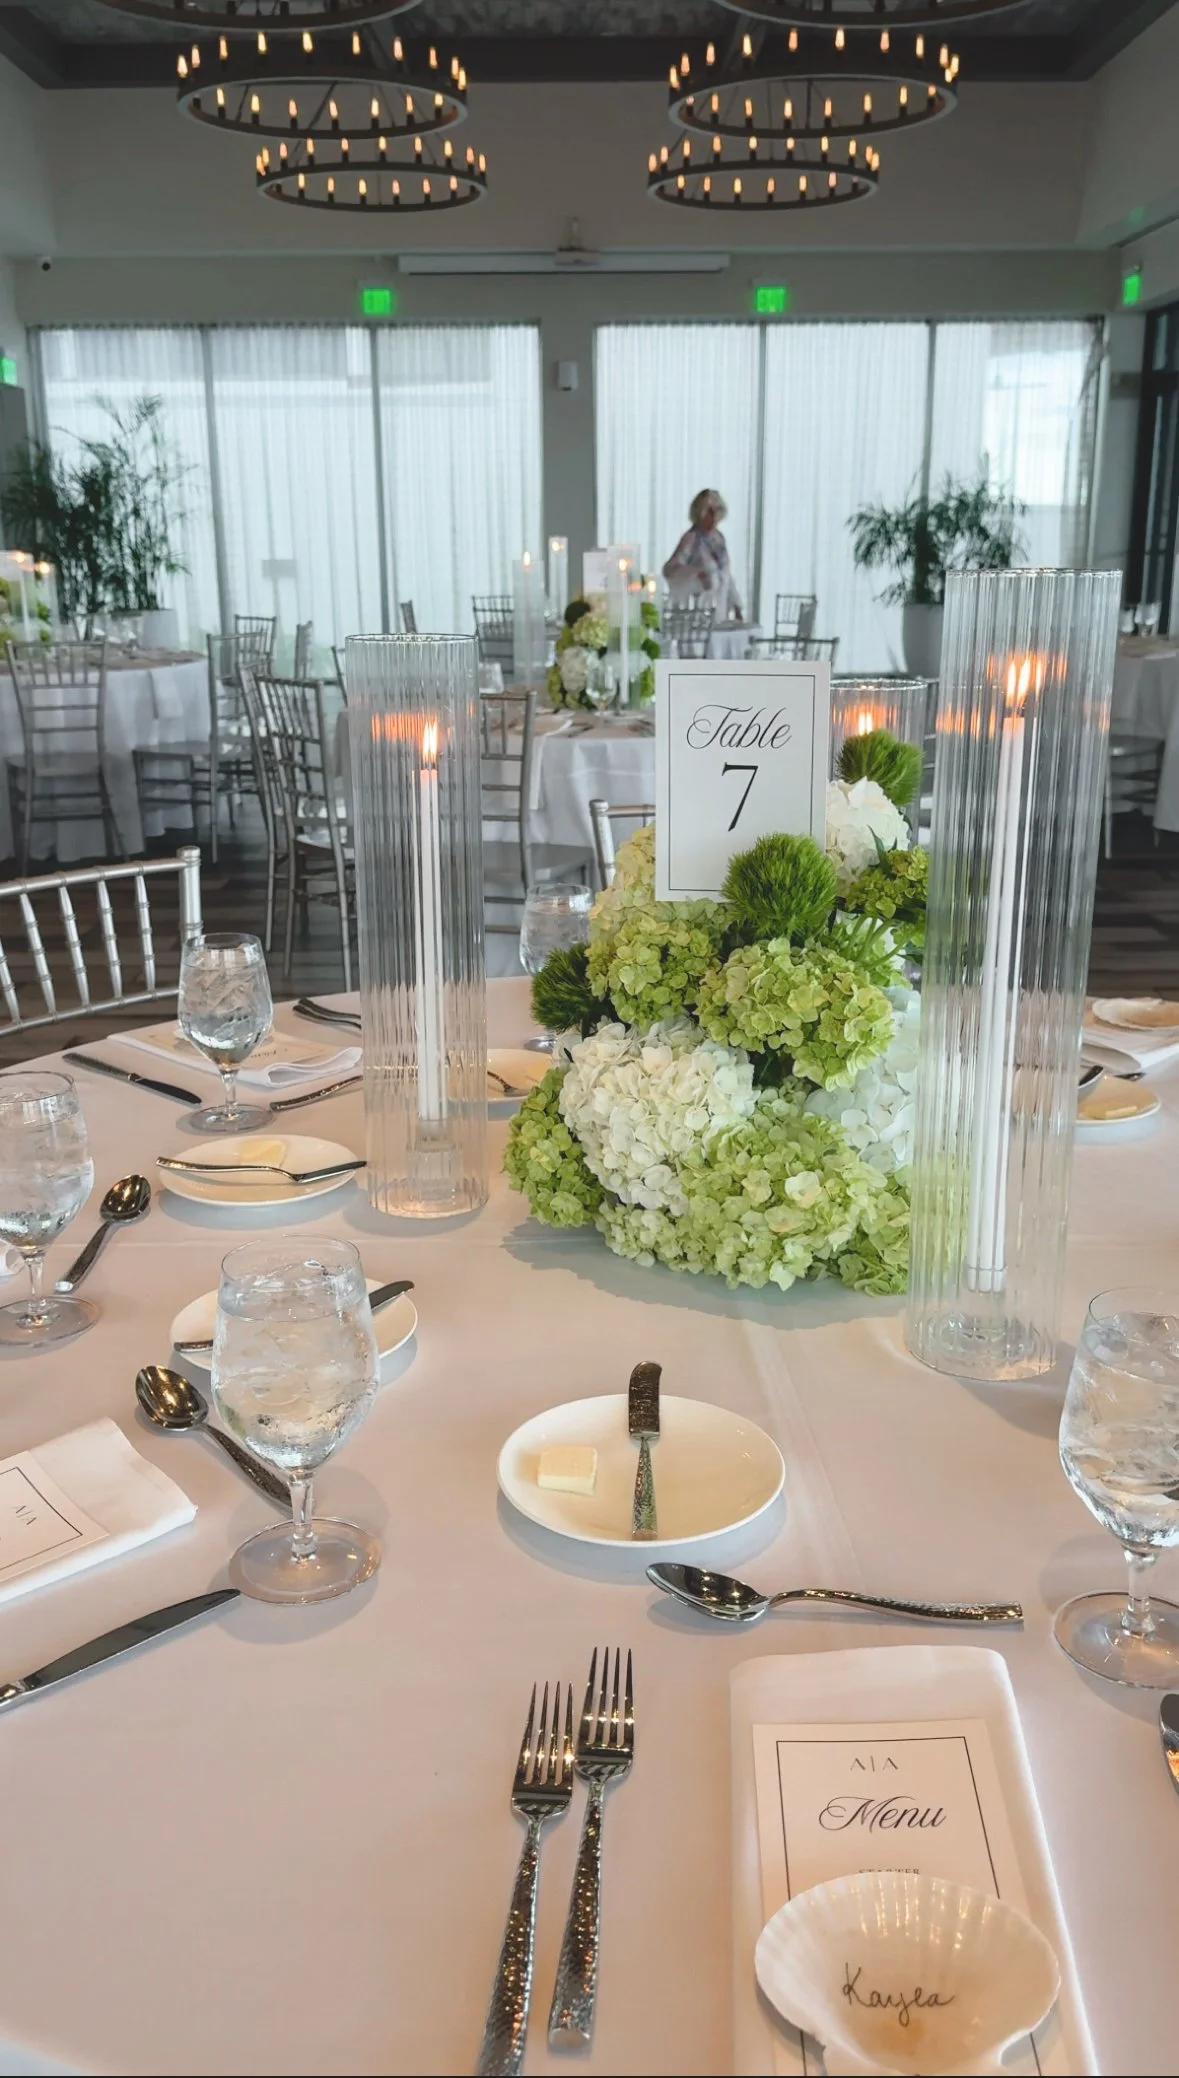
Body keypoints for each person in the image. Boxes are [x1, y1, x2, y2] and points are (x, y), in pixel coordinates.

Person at [662, 489, 744, 623]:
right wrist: (696, 574)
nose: (714, 517)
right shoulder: (691, 539)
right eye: (710, 512)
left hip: (719, 615)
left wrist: (736, 605)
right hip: (697, 617)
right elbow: (670, 569)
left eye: (717, 511)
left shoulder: (719, 539)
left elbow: (727, 575)